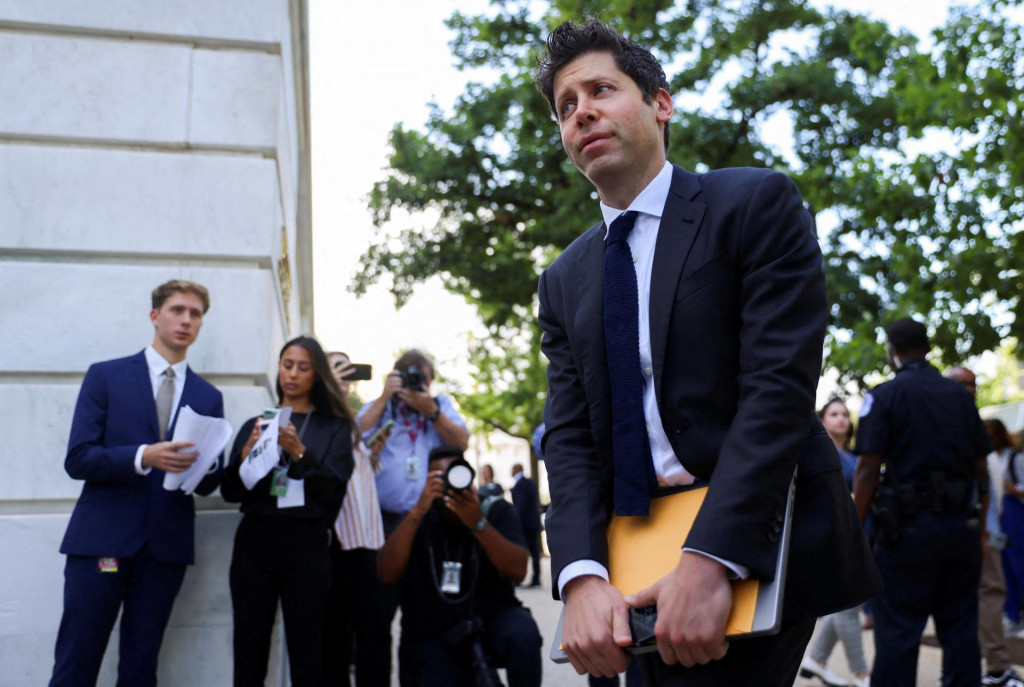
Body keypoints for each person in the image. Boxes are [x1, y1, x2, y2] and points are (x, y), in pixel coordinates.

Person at [534, 18, 880, 686]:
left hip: (752, 539)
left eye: (601, 89)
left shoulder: (753, 203)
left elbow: (777, 389)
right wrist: (578, 577)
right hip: (627, 564)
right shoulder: (562, 279)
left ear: (661, 103)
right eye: (565, 107)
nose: (582, 112)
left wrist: (711, 557)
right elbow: (570, 438)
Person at [50, 279, 224, 687]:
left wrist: (210, 466)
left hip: (163, 553)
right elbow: (78, 458)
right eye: (177, 310)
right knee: (78, 656)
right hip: (103, 549)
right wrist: (142, 456)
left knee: (141, 666)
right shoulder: (106, 376)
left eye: (195, 314)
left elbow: (206, 482)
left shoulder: (208, 395)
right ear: (155, 316)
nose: (186, 320)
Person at [854, 318, 991, 687]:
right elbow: (982, 471)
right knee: (961, 627)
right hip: (960, 530)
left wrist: (852, 529)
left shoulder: (884, 396)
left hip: (905, 534)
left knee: (899, 631)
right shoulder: (961, 398)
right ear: (928, 348)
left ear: (891, 350)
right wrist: (979, 527)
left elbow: (867, 469)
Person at [221, 335, 355, 687]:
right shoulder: (257, 422)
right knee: (249, 650)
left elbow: (333, 492)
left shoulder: (334, 426)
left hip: (307, 544)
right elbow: (231, 491)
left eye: (303, 367)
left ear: (317, 374)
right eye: (287, 365)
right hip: (255, 541)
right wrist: (246, 452)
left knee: (308, 652)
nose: (292, 374)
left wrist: (298, 452)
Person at [377, 445, 542, 687]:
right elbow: (386, 573)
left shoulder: (493, 510)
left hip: (492, 614)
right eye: (439, 479)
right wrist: (418, 510)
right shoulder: (418, 517)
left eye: (454, 475)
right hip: (434, 625)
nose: (448, 485)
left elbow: (518, 571)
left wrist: (477, 523)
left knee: (522, 636)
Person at [356, 349, 470, 684]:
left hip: (429, 525)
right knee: (376, 618)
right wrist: (383, 398)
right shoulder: (381, 408)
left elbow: (461, 441)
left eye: (424, 379)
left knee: (421, 619)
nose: (420, 385)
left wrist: (430, 410)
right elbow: (353, 433)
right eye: (411, 378)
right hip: (384, 523)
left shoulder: (440, 406)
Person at [323, 350, 389, 687]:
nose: (346, 377)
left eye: (348, 371)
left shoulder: (347, 422)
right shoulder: (324, 417)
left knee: (374, 632)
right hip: (341, 543)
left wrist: (371, 453)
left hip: (368, 540)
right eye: (338, 368)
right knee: (339, 635)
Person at [800, 399, 870, 687]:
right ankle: (862, 674)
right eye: (834, 414)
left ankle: (816, 658)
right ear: (822, 419)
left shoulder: (852, 456)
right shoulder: (819, 451)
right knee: (849, 605)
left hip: (857, 532)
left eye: (845, 414)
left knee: (848, 602)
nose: (841, 419)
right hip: (831, 534)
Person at [977, 416, 1024, 687]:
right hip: (990, 526)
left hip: (1003, 523)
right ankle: (996, 668)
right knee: (993, 587)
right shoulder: (984, 452)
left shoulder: (1012, 456)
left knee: (1008, 576)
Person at [511, 462, 543, 587]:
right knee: (534, 552)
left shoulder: (521, 484)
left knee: (522, 550)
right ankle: (536, 578)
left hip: (525, 524)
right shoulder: (530, 483)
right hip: (533, 523)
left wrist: (515, 521)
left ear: (516, 470)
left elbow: (521, 505)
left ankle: (517, 578)